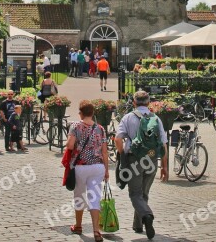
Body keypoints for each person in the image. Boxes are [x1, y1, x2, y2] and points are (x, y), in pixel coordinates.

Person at [115, 90, 168, 239]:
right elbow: (163, 144)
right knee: (143, 193)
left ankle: (147, 215)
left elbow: (118, 139)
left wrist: (122, 154)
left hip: (134, 160)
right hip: (151, 159)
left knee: (135, 194)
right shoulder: (156, 118)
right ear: (148, 103)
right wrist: (164, 167)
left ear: (134, 102)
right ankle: (138, 225)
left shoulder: (128, 117)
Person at [65, 100, 109, 242]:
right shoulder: (100, 128)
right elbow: (104, 152)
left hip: (81, 166)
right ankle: (96, 231)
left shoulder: (76, 126)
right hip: (97, 166)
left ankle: (78, 226)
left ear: (81, 113)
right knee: (95, 197)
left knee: (79, 195)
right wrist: (107, 170)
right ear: (93, 113)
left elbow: (70, 145)